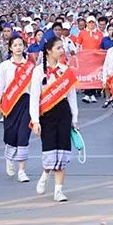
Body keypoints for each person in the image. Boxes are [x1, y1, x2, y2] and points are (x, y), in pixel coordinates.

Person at [29, 32, 79, 202]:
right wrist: (35, 121)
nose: (61, 51)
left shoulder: (66, 70)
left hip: (63, 111)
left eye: (62, 48)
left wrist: (75, 118)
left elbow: (71, 96)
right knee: (50, 149)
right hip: (46, 113)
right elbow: (34, 96)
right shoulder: (38, 71)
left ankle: (58, 190)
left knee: (63, 150)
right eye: (58, 48)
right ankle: (45, 173)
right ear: (49, 51)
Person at [0, 35, 35, 183]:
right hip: (10, 104)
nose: (18, 47)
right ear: (10, 48)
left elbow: (35, 88)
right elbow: (0, 87)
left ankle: (22, 170)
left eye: (20, 45)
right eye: (15, 45)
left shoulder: (30, 65)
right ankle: (9, 158)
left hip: (26, 102)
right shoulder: (5, 65)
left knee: (24, 136)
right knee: (11, 135)